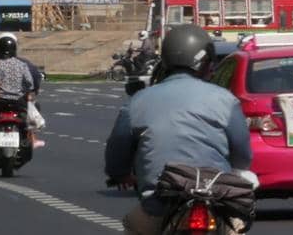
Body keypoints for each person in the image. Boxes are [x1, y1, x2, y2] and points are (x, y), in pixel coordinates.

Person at [104, 24, 252, 235]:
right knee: (237, 227)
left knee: (133, 225)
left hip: (159, 204)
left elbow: (117, 148)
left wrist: (119, 174)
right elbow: (242, 155)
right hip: (216, 198)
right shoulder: (226, 100)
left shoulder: (138, 101)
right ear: (205, 62)